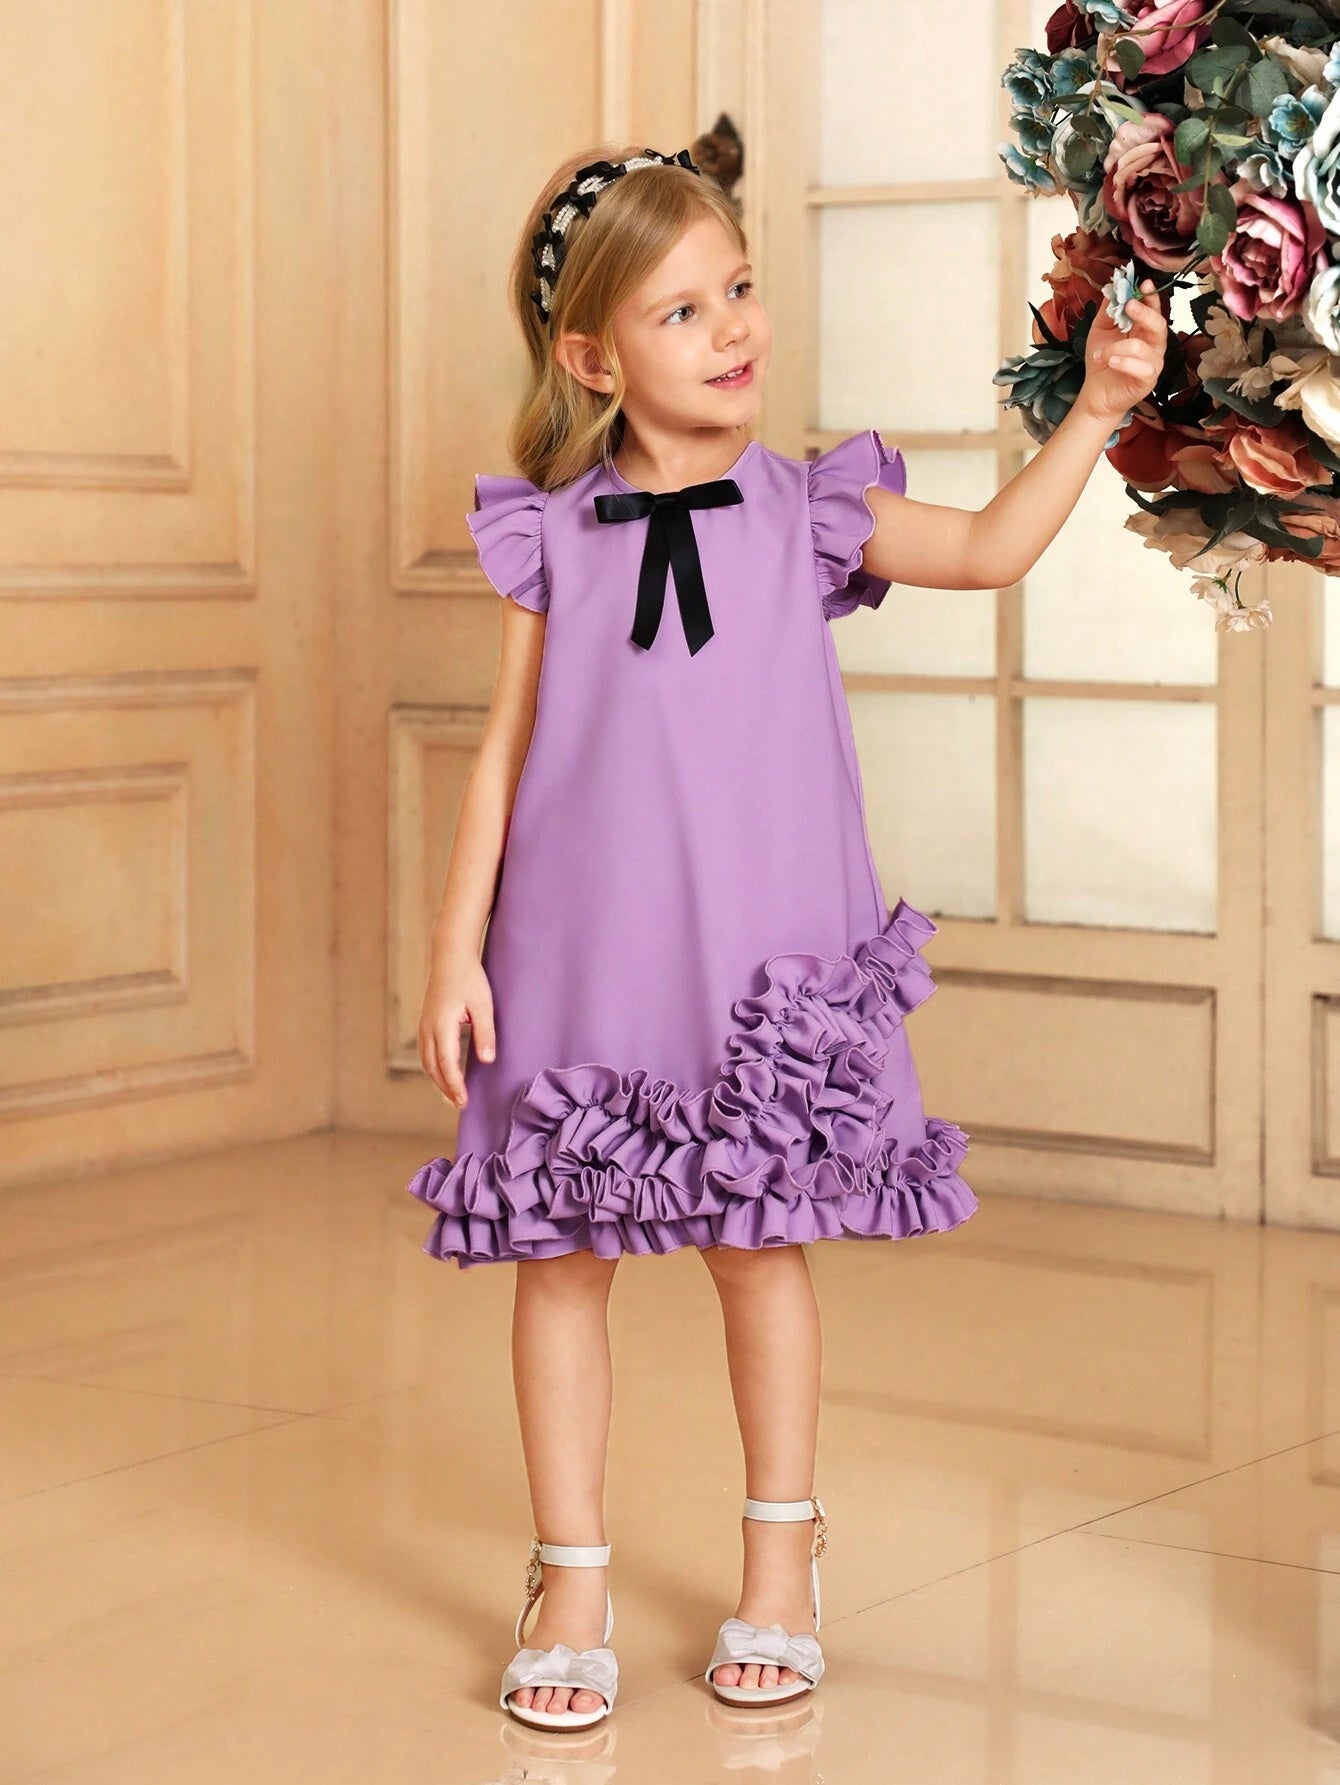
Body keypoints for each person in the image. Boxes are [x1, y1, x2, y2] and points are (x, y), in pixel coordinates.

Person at [405, 144, 1167, 1732]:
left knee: (757, 1248)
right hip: (579, 951)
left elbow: (987, 549)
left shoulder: (805, 512)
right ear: (593, 357)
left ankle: (778, 1561)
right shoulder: (554, 535)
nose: (734, 327)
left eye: (739, 288)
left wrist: (1099, 407)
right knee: (561, 1258)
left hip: (756, 962)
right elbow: (505, 752)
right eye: (684, 311)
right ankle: (571, 1578)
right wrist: (456, 945)